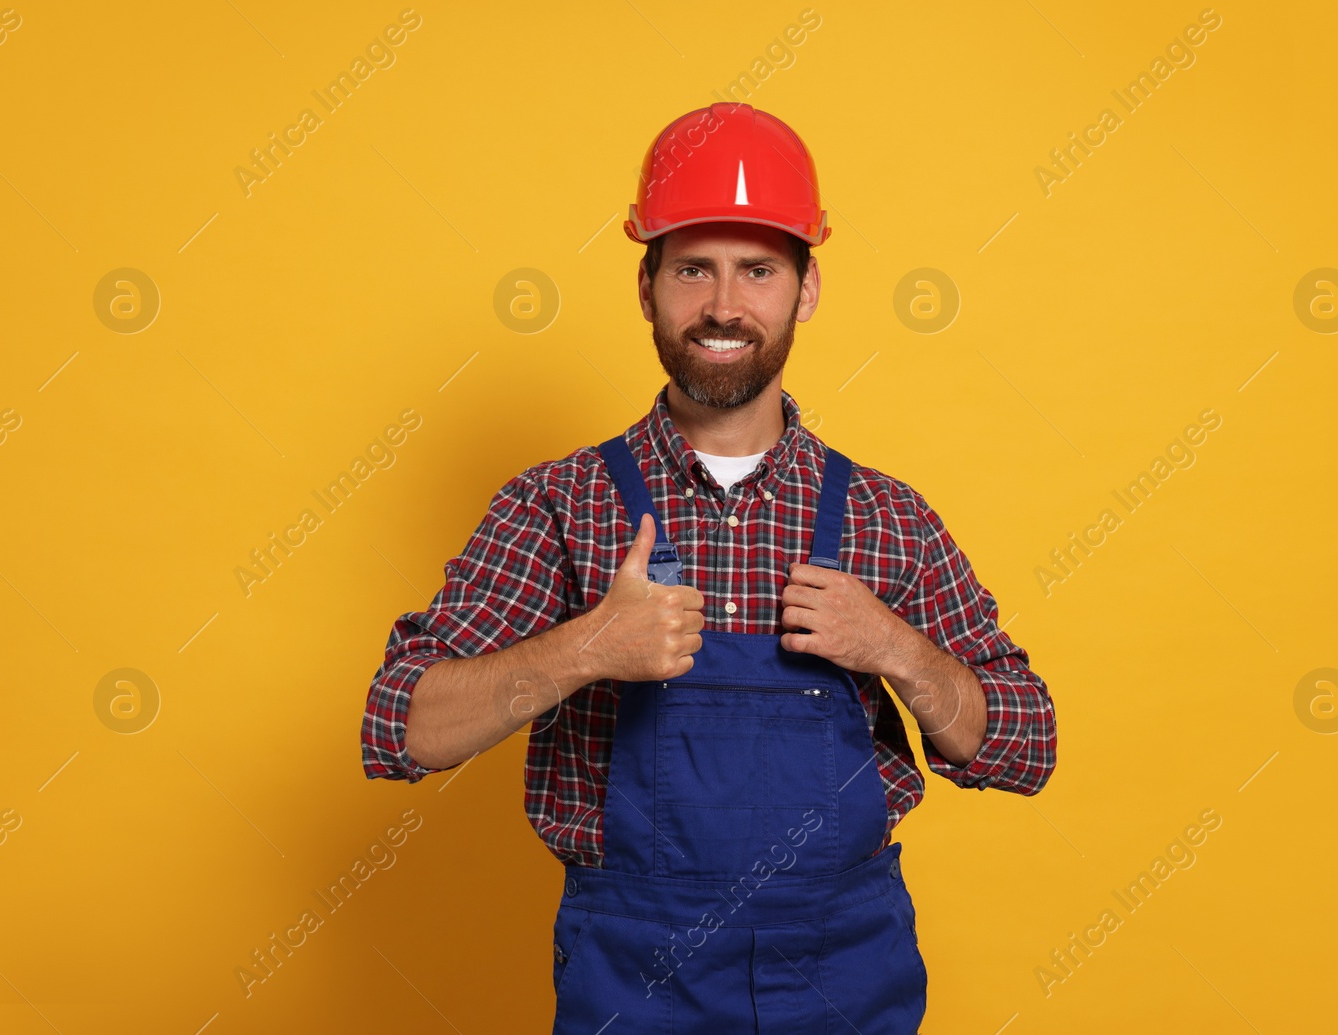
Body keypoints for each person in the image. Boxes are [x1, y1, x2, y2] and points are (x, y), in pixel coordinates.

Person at [361, 102, 1058, 1032]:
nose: (724, 306)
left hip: (844, 980)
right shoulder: (559, 506)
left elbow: (1024, 747)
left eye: (758, 270)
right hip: (634, 983)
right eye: (693, 268)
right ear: (646, 285)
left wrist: (893, 647)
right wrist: (587, 648)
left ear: (806, 290)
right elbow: (401, 729)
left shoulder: (890, 518)